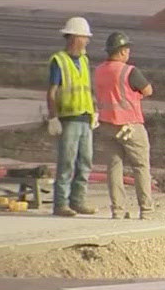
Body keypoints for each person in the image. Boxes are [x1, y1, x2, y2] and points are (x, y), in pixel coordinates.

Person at [93, 31, 155, 220]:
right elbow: (148, 90)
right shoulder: (129, 71)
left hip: (106, 125)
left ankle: (118, 210)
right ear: (121, 51)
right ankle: (146, 210)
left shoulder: (98, 71)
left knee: (114, 167)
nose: (128, 52)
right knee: (141, 167)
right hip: (130, 126)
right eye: (127, 49)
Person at [46, 17, 97, 217]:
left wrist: (94, 110)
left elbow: (87, 88)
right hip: (69, 118)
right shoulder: (59, 61)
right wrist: (53, 117)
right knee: (67, 162)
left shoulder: (84, 60)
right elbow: (52, 92)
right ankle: (61, 203)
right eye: (84, 37)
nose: (87, 41)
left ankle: (78, 201)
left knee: (85, 162)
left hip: (85, 117)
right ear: (74, 38)